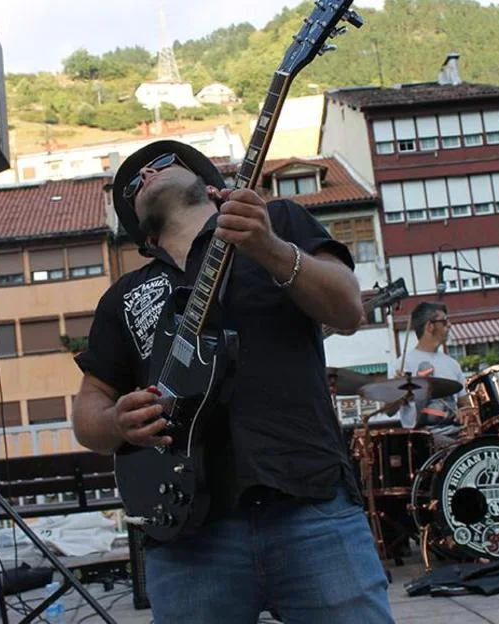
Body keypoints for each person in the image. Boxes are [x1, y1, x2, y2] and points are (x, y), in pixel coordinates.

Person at [71, 140, 395, 624]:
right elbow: (88, 410)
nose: (148, 174)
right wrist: (116, 422)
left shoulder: (277, 220)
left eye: (162, 164)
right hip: (187, 533)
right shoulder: (124, 296)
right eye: (135, 182)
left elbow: (349, 310)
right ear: (144, 236)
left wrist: (270, 249)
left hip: (310, 503)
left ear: (210, 187)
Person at [390, 302, 464, 445]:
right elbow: (389, 411)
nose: (449, 325)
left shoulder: (452, 364)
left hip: (457, 434)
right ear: (430, 326)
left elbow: (464, 404)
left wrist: (466, 413)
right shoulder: (401, 365)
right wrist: (398, 390)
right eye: (444, 321)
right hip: (422, 440)